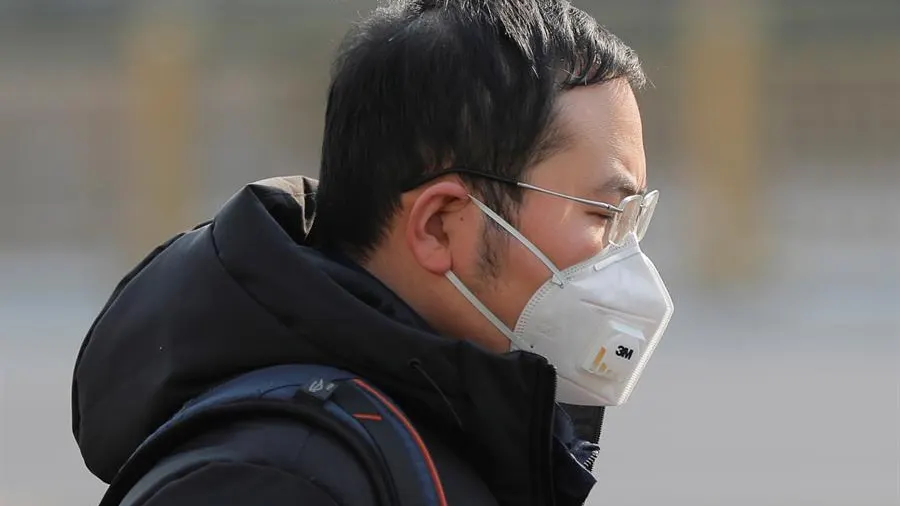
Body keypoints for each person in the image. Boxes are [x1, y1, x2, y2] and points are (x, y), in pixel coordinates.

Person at [71, 0, 674, 505]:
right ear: (438, 225)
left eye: (633, 221)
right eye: (602, 215)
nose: (624, 259)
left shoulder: (451, 429)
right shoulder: (278, 480)